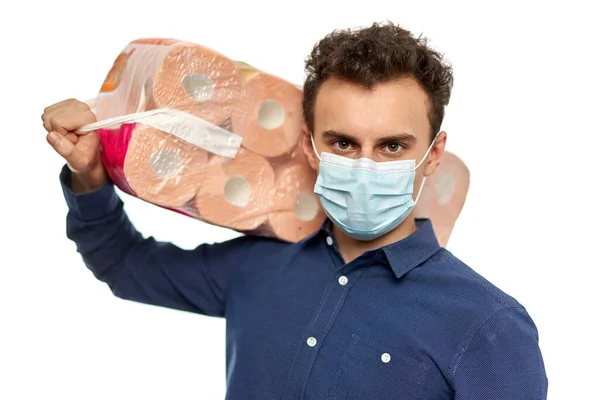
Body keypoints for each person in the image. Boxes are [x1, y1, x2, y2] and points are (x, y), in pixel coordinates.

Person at [41, 22, 548, 400]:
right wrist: (88, 172)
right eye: (343, 142)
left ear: (432, 154)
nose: (366, 166)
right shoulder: (260, 264)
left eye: (393, 146)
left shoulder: (488, 327)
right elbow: (126, 267)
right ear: (309, 146)